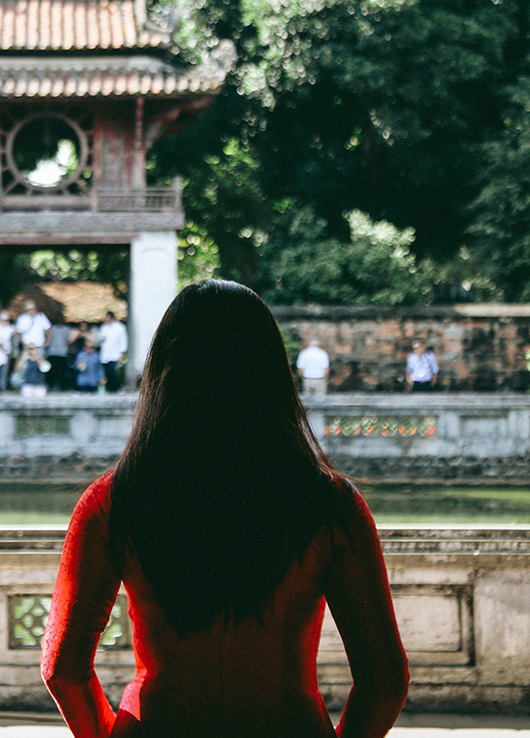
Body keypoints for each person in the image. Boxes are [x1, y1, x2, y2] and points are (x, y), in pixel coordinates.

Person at [41, 280, 408, 738]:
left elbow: (63, 669)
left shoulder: (114, 501)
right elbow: (385, 682)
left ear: (163, 372)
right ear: (272, 373)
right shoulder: (331, 505)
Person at [98, 310, 128, 393]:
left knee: (113, 371)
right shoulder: (104, 327)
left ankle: (117, 387)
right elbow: (100, 339)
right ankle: (110, 388)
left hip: (115, 353)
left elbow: (123, 340)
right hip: (105, 353)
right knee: (107, 372)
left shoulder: (120, 327)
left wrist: (122, 353)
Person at [46, 316, 73, 391]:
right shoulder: (52, 329)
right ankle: (51, 386)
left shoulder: (66, 329)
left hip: (62, 353)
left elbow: (69, 341)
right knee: (52, 372)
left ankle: (61, 387)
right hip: (52, 353)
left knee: (62, 372)